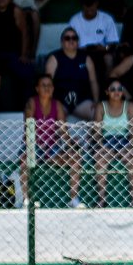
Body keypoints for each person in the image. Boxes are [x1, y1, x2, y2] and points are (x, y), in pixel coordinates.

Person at [19, 74, 84, 208]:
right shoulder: (32, 103)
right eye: (43, 85)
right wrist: (36, 148)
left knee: (75, 158)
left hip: (52, 149)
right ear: (37, 88)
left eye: (49, 85)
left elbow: (63, 130)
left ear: (53, 88)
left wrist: (71, 144)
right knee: (24, 160)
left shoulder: (57, 105)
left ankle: (73, 199)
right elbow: (28, 128)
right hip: (33, 147)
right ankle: (26, 200)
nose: (47, 88)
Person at [93, 79, 133, 208]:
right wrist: (101, 146)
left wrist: (130, 146)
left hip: (124, 141)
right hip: (106, 141)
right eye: (113, 89)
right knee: (100, 159)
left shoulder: (129, 106)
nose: (116, 92)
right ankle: (101, 200)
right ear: (107, 92)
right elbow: (97, 132)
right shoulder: (101, 106)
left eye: (119, 89)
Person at [0, 0, 33, 112]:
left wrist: (24, 54)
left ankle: (27, 111)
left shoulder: (16, 11)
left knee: (27, 73)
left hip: (12, 54)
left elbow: (25, 33)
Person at [44, 27, 99, 120]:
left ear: (78, 41)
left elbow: (93, 81)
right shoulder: (54, 58)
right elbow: (47, 83)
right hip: (60, 101)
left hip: (82, 100)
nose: (71, 40)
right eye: (67, 38)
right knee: (56, 119)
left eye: (74, 38)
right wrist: (47, 102)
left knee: (98, 115)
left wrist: (96, 101)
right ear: (62, 42)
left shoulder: (86, 58)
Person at [68, 0, 119, 86]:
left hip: (101, 52)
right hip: (81, 52)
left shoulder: (106, 19)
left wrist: (104, 48)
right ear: (82, 5)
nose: (89, 8)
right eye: (87, 5)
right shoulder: (74, 20)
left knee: (108, 59)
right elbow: (69, 42)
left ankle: (107, 87)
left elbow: (113, 44)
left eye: (91, 5)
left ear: (96, 4)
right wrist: (80, 49)